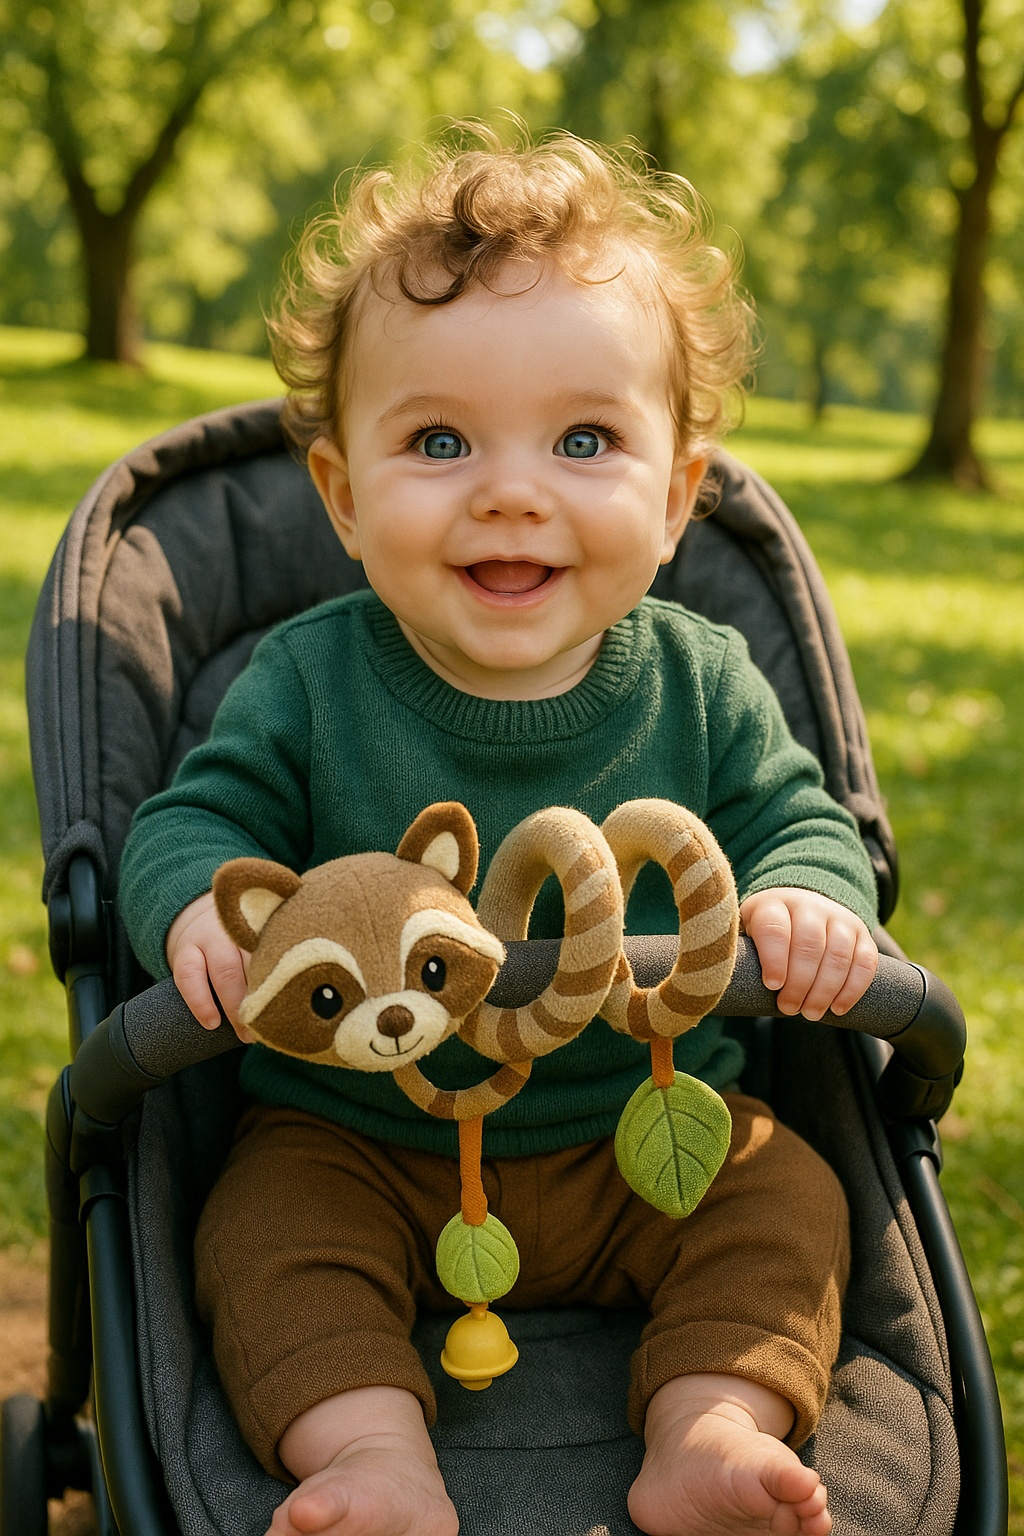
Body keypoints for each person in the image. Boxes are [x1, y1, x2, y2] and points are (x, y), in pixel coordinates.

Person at [119, 128, 879, 1536]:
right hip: (356, 1138)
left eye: (585, 440)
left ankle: (707, 1424)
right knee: (264, 1231)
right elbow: (196, 817)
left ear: (674, 495)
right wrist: (186, 909)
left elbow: (799, 817)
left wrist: (806, 897)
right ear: (344, 497)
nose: (511, 488)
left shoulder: (703, 679)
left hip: (649, 1132)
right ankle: (369, 1455)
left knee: (789, 1200)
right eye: (439, 441)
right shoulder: (305, 678)